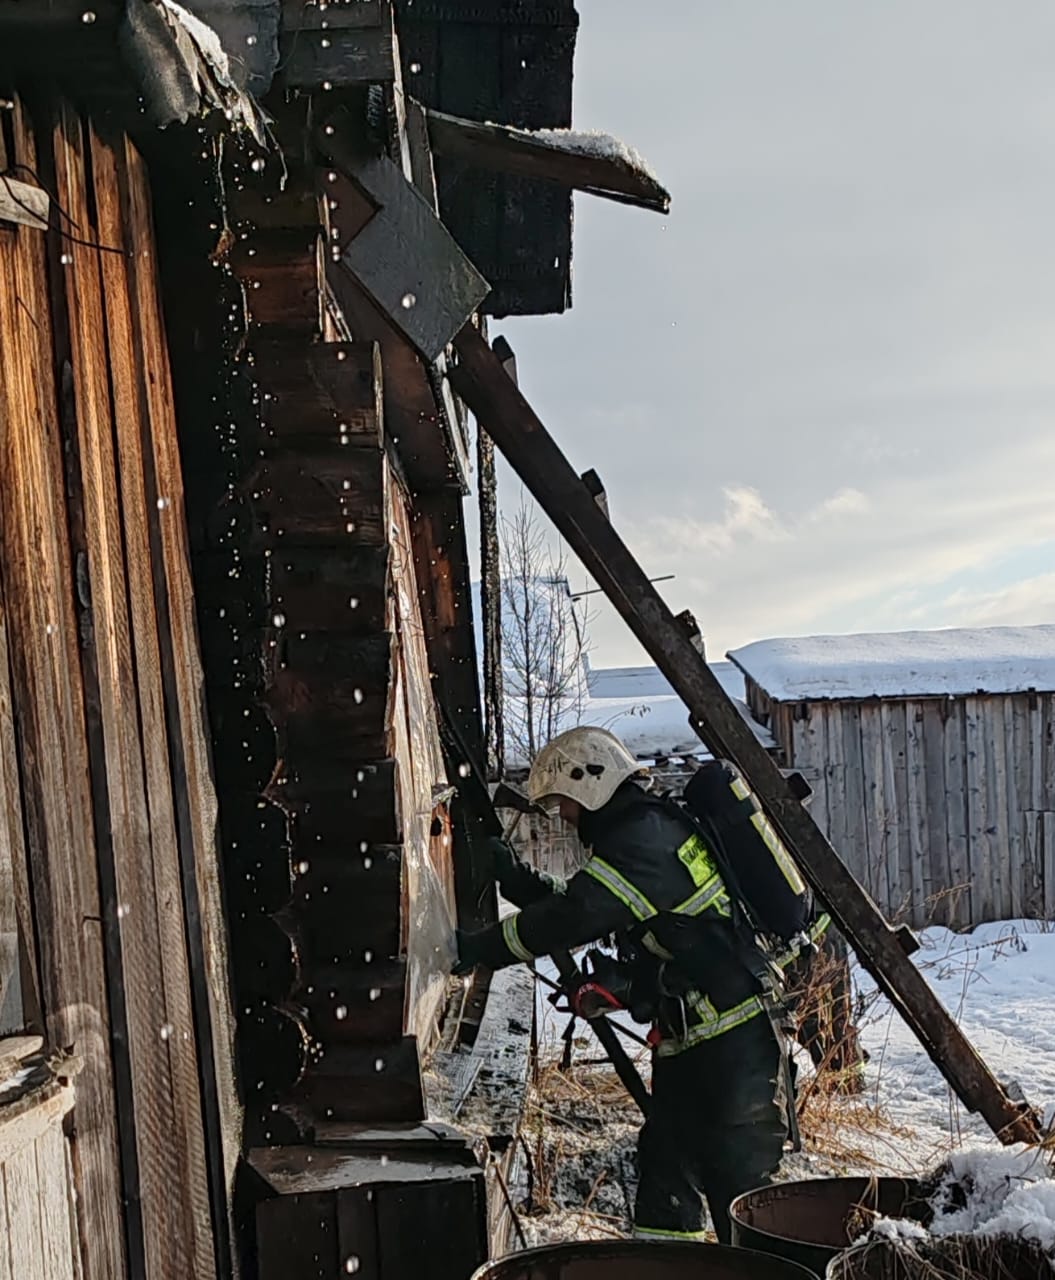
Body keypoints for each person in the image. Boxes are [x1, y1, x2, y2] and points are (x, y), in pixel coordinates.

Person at [454, 726, 791, 1245]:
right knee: (665, 1183)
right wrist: (523, 886)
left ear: (590, 782)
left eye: (566, 802)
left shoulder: (645, 839)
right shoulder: (640, 837)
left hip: (736, 1049)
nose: (565, 816)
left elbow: (575, 915)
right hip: (698, 1046)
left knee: (741, 1198)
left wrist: (477, 948)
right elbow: (618, 916)